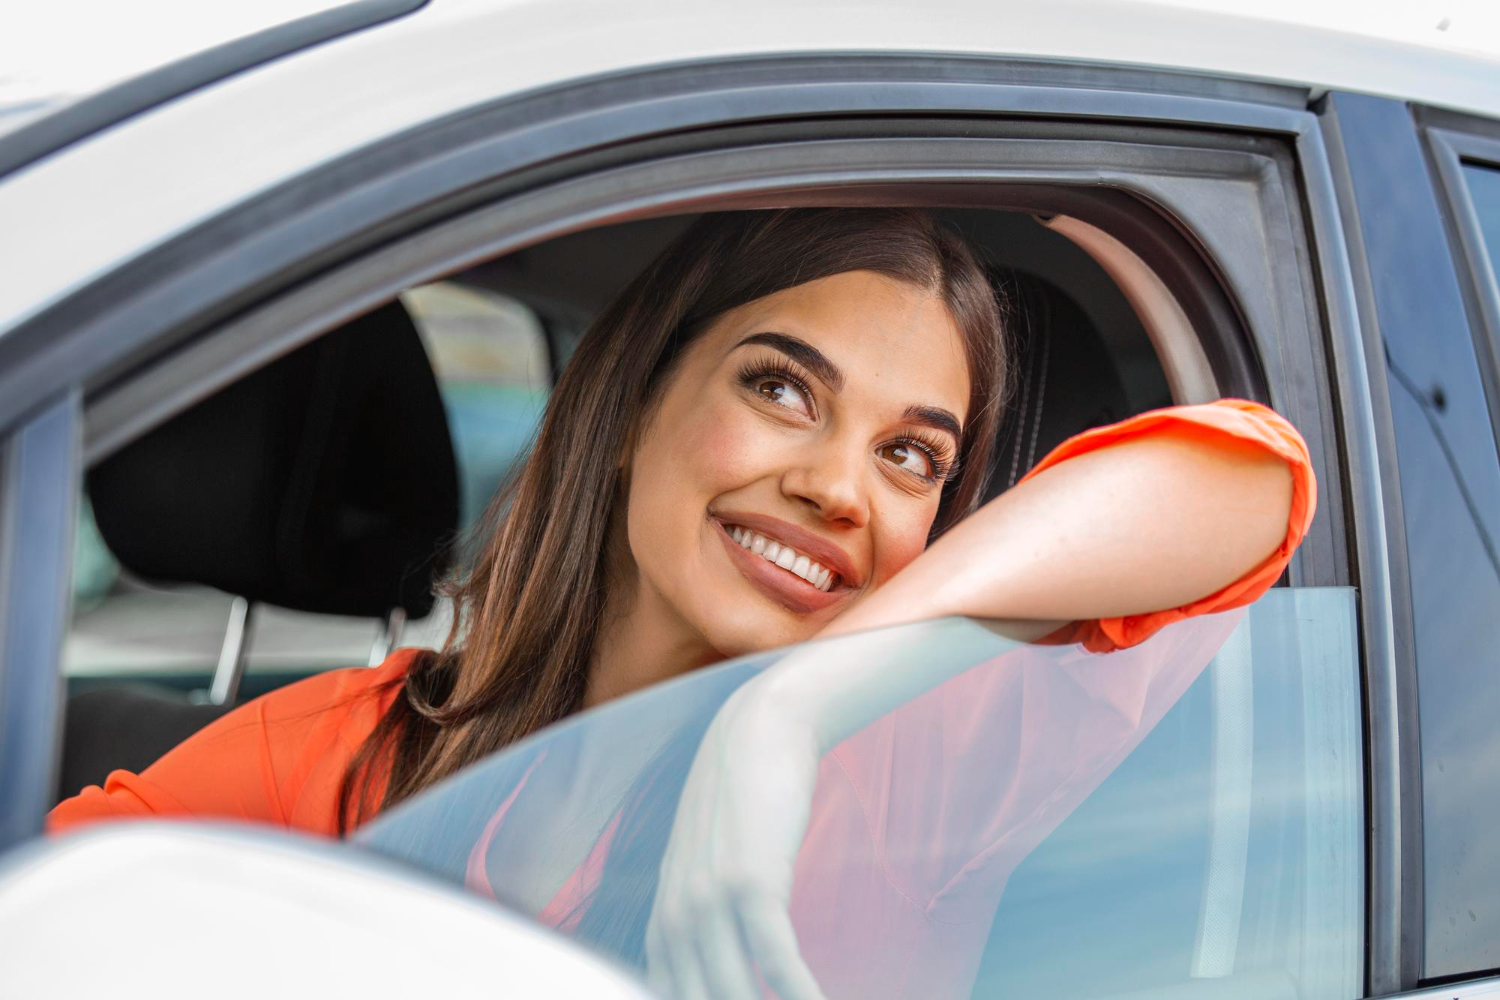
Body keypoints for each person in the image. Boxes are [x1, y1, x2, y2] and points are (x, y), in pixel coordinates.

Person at [49, 209, 1314, 998]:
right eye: (781, 389)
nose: (835, 488)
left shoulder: (928, 764)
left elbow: (1251, 478)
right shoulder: (345, 750)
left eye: (912, 457)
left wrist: (787, 715)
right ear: (631, 408)